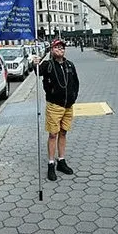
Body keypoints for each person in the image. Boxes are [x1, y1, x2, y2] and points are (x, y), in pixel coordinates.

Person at [37, 38, 80, 181]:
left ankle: (61, 161)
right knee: (53, 135)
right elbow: (37, 72)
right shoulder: (48, 65)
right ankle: (51, 164)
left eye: (62, 48)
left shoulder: (70, 65)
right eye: (57, 47)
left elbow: (76, 83)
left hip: (68, 106)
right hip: (54, 106)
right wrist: (35, 63)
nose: (60, 50)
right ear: (52, 50)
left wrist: (73, 97)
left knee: (63, 133)